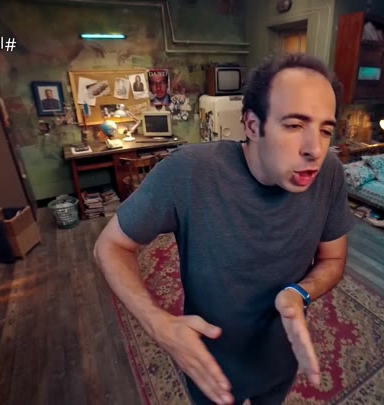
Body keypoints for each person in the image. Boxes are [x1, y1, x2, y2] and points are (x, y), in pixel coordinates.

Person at [94, 53, 354, 405]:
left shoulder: (330, 173)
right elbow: (110, 246)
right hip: (209, 365)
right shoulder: (189, 171)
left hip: (281, 358)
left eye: (325, 130)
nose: (315, 150)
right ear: (252, 125)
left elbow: (333, 259)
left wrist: (300, 292)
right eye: (294, 125)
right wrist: (159, 324)